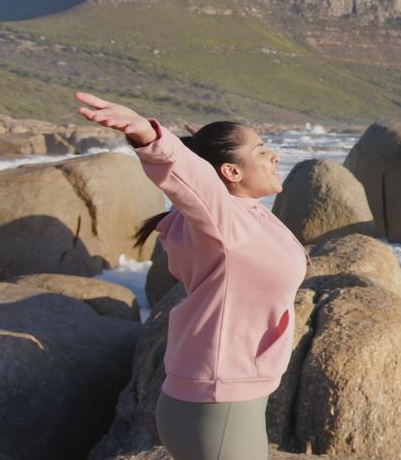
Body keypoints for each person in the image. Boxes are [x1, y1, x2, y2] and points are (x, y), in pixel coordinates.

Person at [75, 92, 307, 460]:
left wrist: (205, 152)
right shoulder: (226, 224)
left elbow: (204, 186)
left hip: (225, 398)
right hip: (219, 402)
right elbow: (195, 183)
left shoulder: (238, 217)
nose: (275, 156)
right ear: (231, 172)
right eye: (262, 150)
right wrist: (153, 139)